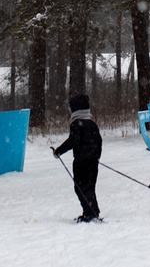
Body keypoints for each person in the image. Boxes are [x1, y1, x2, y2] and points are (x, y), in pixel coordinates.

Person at [52, 93, 103, 222]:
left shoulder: (76, 124)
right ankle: (91, 212)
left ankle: (91, 213)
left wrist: (59, 151)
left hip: (81, 162)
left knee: (80, 187)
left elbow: (73, 141)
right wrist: (96, 157)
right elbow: (99, 141)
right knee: (90, 187)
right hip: (93, 162)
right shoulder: (92, 123)